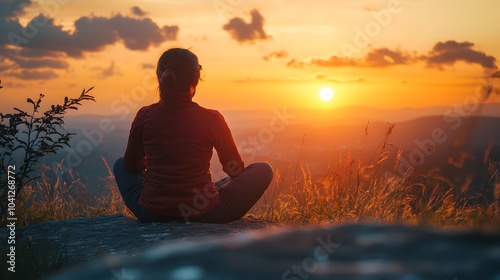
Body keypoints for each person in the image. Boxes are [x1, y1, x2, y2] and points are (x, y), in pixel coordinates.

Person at [113, 48, 273, 224]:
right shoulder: (212, 118)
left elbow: (130, 165)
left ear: (159, 77)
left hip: (152, 213)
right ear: (196, 80)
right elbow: (233, 169)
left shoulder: (145, 115)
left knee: (120, 164)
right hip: (206, 214)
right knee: (264, 169)